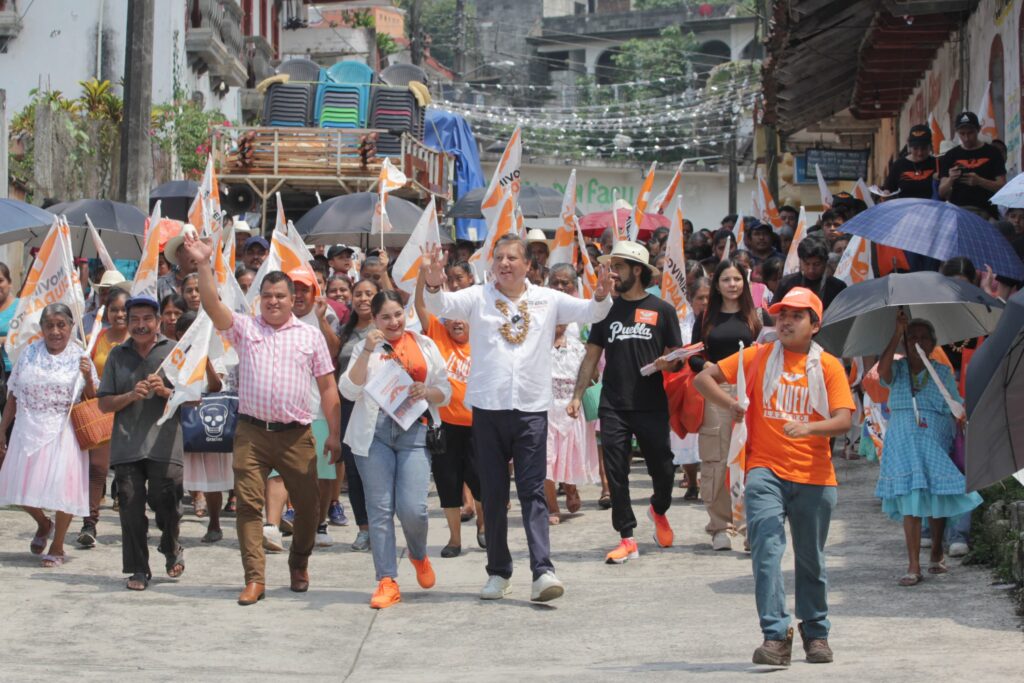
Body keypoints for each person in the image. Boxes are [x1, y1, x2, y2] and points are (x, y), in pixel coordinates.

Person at [421, 235, 613, 602]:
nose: (504, 264)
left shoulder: (548, 299)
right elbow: (440, 304)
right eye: (499, 258)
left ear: (528, 265)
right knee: (493, 494)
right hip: (488, 411)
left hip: (531, 411)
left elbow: (593, 312)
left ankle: (542, 571)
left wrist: (602, 294)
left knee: (532, 492)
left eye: (512, 258)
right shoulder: (477, 296)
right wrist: (432, 281)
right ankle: (498, 572)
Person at [694, 287, 854, 667]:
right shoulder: (759, 355)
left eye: (797, 315)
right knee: (766, 549)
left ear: (815, 325)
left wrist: (809, 429)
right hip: (764, 469)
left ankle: (816, 632)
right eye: (782, 314)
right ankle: (776, 636)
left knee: (811, 560)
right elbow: (704, 379)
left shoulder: (828, 366)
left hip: (815, 475)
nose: (786, 321)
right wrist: (732, 403)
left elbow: (844, 420)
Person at [181, 234, 341, 606]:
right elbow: (211, 305)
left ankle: (299, 562)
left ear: (292, 299)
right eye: (267, 296)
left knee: (308, 509)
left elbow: (328, 387)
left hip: (297, 435)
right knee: (249, 507)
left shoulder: (310, 337)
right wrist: (203, 263)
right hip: (251, 434)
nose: (273, 301)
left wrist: (334, 434)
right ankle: (254, 578)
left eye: (280, 296)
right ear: (259, 300)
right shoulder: (245, 328)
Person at [569, 241, 680, 563]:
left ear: (637, 270)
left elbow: (676, 357)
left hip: (651, 403)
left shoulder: (663, 310)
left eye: (618, 267)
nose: (613, 273)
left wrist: (668, 363)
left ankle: (658, 509)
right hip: (613, 404)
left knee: (664, 469)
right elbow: (592, 356)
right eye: (611, 266)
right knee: (616, 472)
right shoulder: (605, 310)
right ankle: (627, 537)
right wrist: (577, 395)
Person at [339, 290, 451, 608]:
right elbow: (348, 390)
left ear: (406, 313)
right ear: (374, 319)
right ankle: (386, 579)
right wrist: (367, 351)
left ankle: (418, 554)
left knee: (413, 508)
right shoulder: (365, 347)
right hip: (373, 434)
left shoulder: (424, 344)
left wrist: (426, 391)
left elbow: (445, 390)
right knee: (380, 509)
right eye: (385, 317)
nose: (393, 322)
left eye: (398, 314)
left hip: (414, 430)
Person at [875, 311, 982, 586]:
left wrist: (961, 414)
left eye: (924, 338)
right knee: (910, 497)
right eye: (912, 337)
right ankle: (913, 565)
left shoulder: (942, 371)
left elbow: (954, 403)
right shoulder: (898, 369)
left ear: (933, 344)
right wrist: (897, 333)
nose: (918, 342)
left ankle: (936, 550)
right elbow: (882, 372)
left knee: (936, 494)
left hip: (934, 435)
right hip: (902, 437)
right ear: (905, 342)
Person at [97, 296, 184, 591]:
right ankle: (138, 568)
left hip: (165, 443)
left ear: (158, 321)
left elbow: (193, 398)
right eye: (134, 319)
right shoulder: (117, 355)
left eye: (147, 319)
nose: (140, 325)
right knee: (130, 505)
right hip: (127, 444)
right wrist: (130, 396)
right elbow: (104, 404)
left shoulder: (174, 352)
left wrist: (166, 392)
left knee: (166, 500)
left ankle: (171, 545)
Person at [0, 304, 98, 567]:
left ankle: (58, 545)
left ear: (71, 326)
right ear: (41, 328)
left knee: (63, 489)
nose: (55, 331)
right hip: (27, 428)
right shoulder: (29, 353)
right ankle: (44, 524)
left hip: (64, 430)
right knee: (18, 487)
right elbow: (13, 395)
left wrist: (88, 377)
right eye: (49, 325)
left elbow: (93, 398)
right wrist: (2, 431)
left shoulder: (80, 356)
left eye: (61, 325)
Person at [690, 257, 764, 550]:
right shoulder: (705, 318)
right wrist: (709, 366)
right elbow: (692, 357)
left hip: (751, 391)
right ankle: (720, 526)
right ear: (717, 285)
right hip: (715, 391)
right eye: (726, 280)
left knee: (751, 459)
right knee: (717, 459)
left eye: (737, 279)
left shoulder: (756, 317)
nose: (732, 285)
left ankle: (749, 527)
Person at [413, 268, 482, 557]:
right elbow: (420, 304)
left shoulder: (483, 339)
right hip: (444, 427)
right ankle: (454, 540)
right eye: (451, 317)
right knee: (447, 483)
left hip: (479, 426)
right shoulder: (437, 334)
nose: (456, 322)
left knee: (481, 482)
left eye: (462, 316)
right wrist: (423, 273)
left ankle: (484, 528)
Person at [77, 288, 130, 548]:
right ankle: (89, 523)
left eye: (124, 309)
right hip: (102, 411)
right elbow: (87, 386)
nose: (119, 314)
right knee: (97, 468)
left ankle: (133, 524)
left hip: (133, 413)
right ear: (107, 312)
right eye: (114, 309)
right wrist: (87, 376)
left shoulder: (142, 340)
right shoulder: (93, 339)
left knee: (130, 471)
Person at [335, 278, 381, 552]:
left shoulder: (386, 327)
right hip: (349, 406)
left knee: (379, 470)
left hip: (379, 406)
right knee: (354, 470)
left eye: (369, 294)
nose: (363, 298)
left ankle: (381, 525)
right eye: (359, 294)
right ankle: (364, 528)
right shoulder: (346, 331)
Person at [176, 311, 230, 544]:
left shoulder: (214, 355)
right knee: (176, 477)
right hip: (180, 421)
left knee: (212, 479)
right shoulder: (173, 357)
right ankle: (171, 524)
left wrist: (204, 359)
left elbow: (217, 386)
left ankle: (214, 523)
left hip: (207, 424)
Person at [675, 276, 711, 498]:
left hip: (713, 384)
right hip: (687, 386)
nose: (705, 303)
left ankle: (708, 482)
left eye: (708, 298)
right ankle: (691, 482)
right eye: (700, 298)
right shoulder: (681, 325)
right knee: (688, 437)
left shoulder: (717, 321)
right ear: (690, 299)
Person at [939, 111, 1007, 218]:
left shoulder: (993, 153)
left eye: (970, 133)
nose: (966, 138)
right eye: (962, 134)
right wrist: (951, 179)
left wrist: (980, 181)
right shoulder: (950, 155)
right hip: (959, 211)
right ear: (957, 132)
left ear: (978, 129)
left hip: (986, 211)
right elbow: (941, 192)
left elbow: (1002, 186)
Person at [773, 237, 846, 313]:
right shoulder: (786, 283)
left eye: (816, 264)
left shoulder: (838, 287)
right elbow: (774, 313)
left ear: (825, 262)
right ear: (800, 261)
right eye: (807, 264)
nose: (811, 270)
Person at [884, 125, 939, 199]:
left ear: (930, 146)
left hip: (931, 206)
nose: (920, 153)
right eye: (915, 148)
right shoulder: (898, 165)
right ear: (910, 147)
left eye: (924, 148)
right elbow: (888, 189)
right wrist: (886, 193)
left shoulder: (937, 164)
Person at [158, 229, 199, 302]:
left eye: (198, 248)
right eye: (189, 247)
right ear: (178, 254)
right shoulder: (161, 284)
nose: (195, 253)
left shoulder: (213, 281)